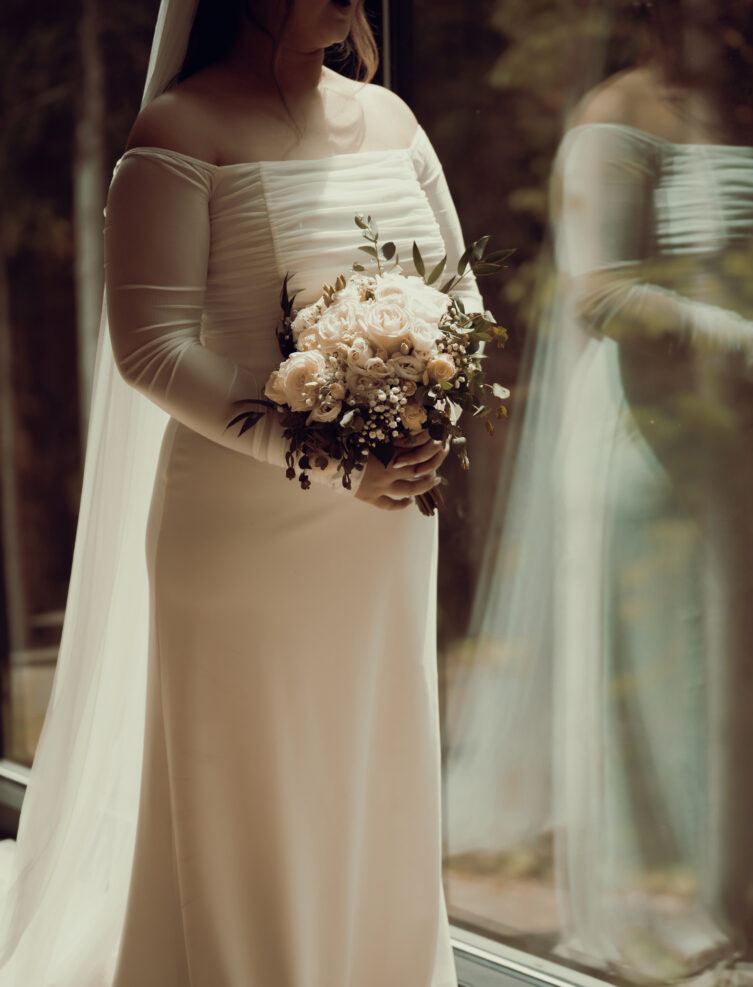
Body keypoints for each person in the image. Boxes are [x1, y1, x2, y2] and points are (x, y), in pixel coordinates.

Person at [0, 1, 479, 984]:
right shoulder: (180, 130)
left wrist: (435, 412)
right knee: (252, 786)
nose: (344, 0)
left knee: (372, 767)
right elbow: (150, 351)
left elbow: (464, 300)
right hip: (241, 528)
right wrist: (329, 455)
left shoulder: (392, 121)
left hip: (383, 522)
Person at [445, 1, 753, 983]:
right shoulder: (612, 113)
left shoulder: (745, 110)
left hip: (744, 451)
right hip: (647, 446)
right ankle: (675, 926)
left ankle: (737, 900)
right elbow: (601, 292)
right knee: (675, 684)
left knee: (745, 682)